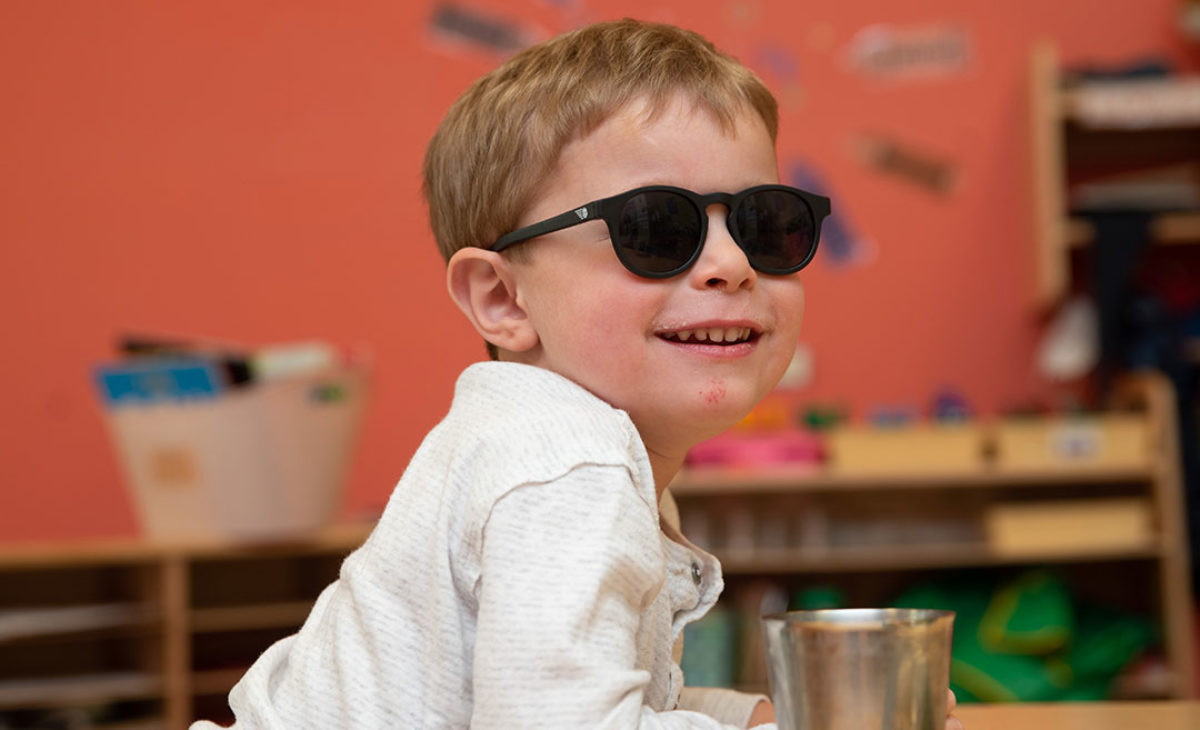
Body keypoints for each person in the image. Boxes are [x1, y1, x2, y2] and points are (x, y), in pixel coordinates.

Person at [192, 18, 960, 729]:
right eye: (658, 230)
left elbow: (607, 698)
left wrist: (756, 717)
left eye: (766, 225)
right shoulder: (568, 465)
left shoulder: (558, 442)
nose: (730, 265)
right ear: (502, 298)